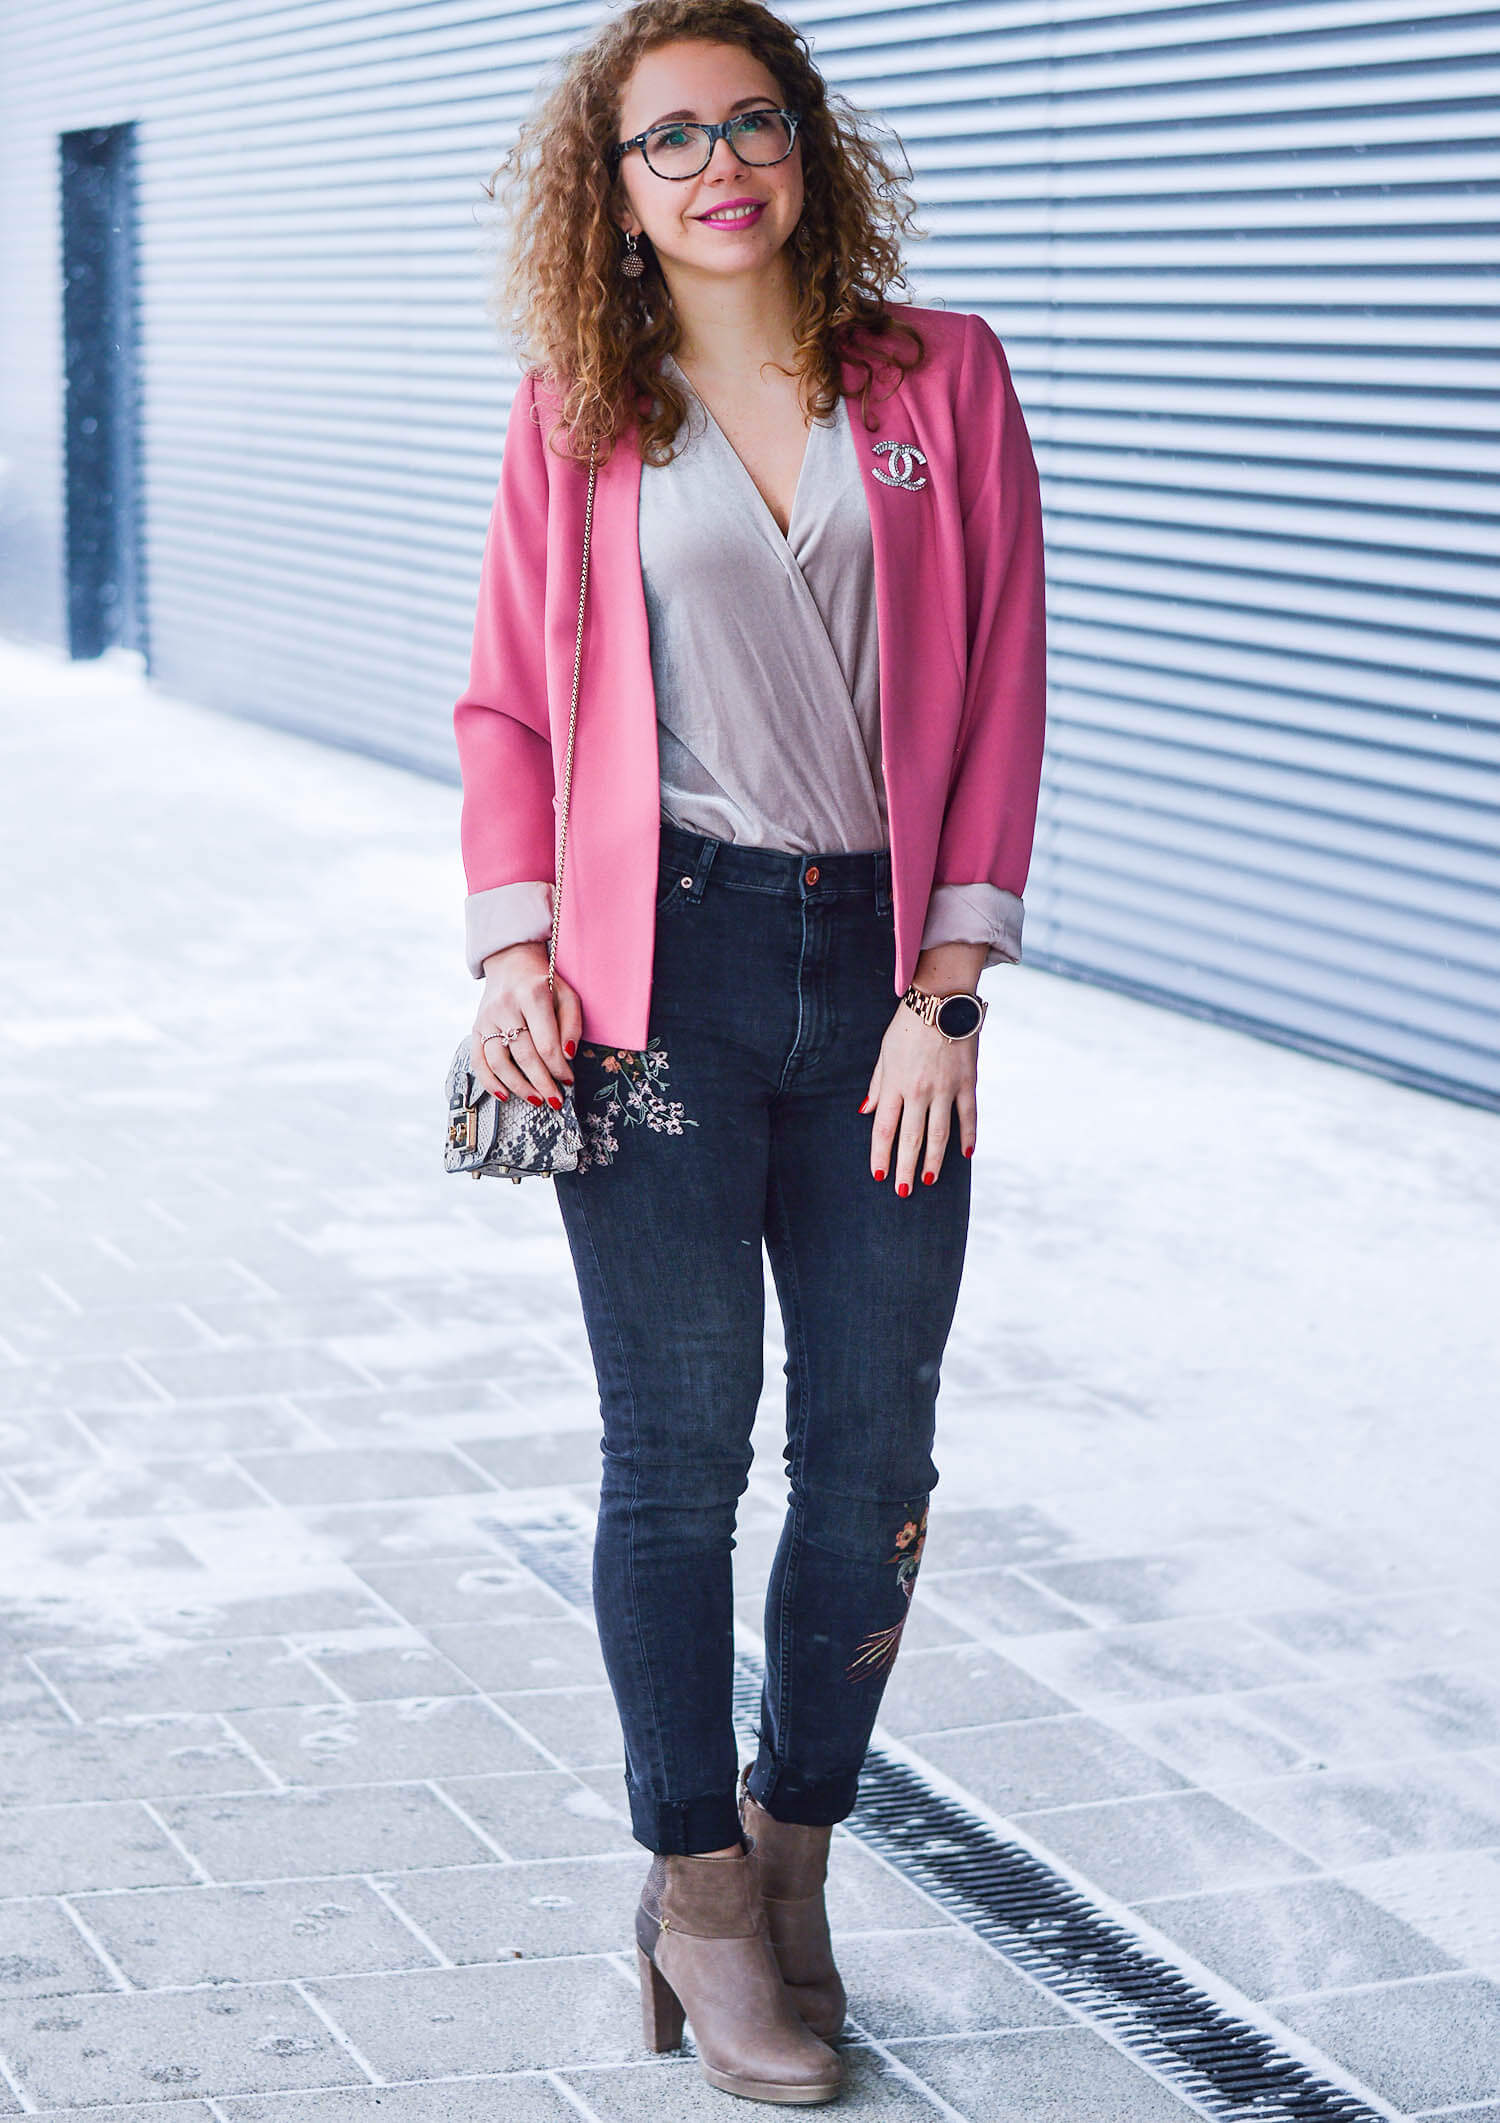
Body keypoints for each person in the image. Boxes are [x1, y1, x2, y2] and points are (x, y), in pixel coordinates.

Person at [453, 0, 1045, 2103]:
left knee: (876, 1462)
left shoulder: (937, 376)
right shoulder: (579, 411)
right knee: (679, 1457)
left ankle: (795, 1855)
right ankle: (695, 1891)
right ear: (609, 192)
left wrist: (946, 993)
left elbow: (1000, 692)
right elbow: (510, 710)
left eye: (751, 121)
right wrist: (515, 945)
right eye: (666, 138)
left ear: (806, 147)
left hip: (882, 980)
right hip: (662, 990)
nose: (719, 162)